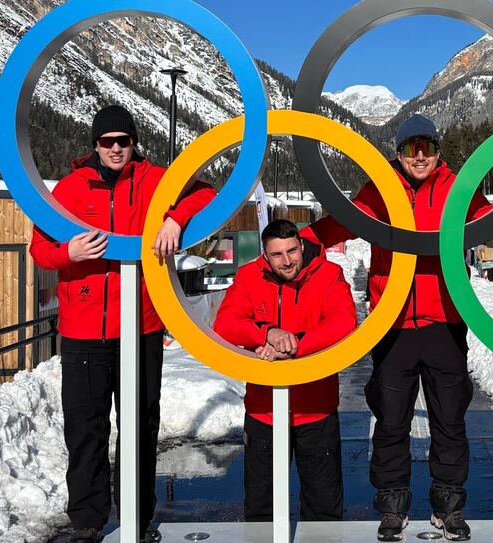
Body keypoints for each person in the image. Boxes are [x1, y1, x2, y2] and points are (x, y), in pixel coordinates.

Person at [299, 113, 493, 542]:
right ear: (399, 153)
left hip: (445, 320)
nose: (420, 156)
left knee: (449, 420)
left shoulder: (458, 187)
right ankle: (393, 506)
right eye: (411, 148)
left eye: (427, 147)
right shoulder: (380, 188)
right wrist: (301, 241)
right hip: (393, 323)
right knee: (391, 420)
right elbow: (344, 221)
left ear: (439, 152)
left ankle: (449, 507)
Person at [30, 105, 216, 543]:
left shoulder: (157, 180)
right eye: (107, 141)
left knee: (140, 425)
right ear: (95, 145)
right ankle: (87, 520)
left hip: (140, 326)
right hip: (83, 331)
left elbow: (206, 193)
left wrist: (175, 217)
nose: (115, 148)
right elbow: (39, 248)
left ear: (134, 142)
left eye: (123, 141)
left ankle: (137, 517)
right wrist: (68, 254)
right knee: (85, 427)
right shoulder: (70, 188)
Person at [212, 219, 354, 522]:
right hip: (264, 412)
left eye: (292, 251)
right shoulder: (249, 276)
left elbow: (343, 321)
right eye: (277, 254)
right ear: (265, 254)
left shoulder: (328, 274)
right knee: (261, 509)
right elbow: (225, 323)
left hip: (315, 410)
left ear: (301, 246)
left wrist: (294, 345)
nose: (287, 261)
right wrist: (266, 333)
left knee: (323, 509)